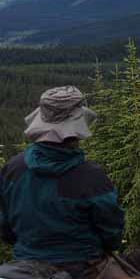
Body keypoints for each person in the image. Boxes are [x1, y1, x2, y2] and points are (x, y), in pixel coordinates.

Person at [0, 86, 125, 279]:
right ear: (76, 129)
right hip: (83, 267)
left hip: (24, 264)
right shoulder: (91, 176)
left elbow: (5, 226)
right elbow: (111, 230)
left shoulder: (13, 169)